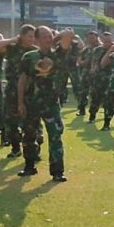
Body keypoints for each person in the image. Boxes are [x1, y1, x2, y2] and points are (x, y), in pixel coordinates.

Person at [17, 26, 73, 182]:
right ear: (36, 39)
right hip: (32, 102)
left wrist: (54, 39)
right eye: (44, 36)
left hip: (51, 103)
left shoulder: (58, 54)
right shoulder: (29, 57)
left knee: (55, 135)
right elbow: (22, 80)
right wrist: (20, 102)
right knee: (29, 135)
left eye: (50, 36)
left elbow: (68, 35)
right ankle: (29, 166)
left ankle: (57, 171)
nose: (48, 39)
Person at [0, 24, 36, 158]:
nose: (32, 39)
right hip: (12, 89)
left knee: (31, 121)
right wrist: (12, 40)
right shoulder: (13, 48)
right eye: (29, 36)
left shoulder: (34, 51)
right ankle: (15, 148)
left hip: (30, 90)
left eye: (33, 36)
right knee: (11, 120)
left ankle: (33, 150)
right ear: (22, 36)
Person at [87, 32, 114, 124]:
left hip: (110, 78)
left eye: (109, 41)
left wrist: (111, 49)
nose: (107, 43)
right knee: (95, 98)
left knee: (109, 100)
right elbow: (94, 61)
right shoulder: (97, 50)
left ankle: (110, 121)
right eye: (105, 41)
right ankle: (92, 117)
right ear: (102, 40)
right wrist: (92, 70)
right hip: (98, 78)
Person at [76, 30, 98, 116]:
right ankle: (81, 109)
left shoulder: (100, 49)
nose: (91, 39)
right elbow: (79, 61)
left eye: (93, 38)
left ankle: (93, 112)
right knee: (83, 92)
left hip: (96, 74)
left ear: (96, 38)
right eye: (89, 38)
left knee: (95, 93)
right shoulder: (86, 50)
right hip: (85, 74)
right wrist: (85, 62)